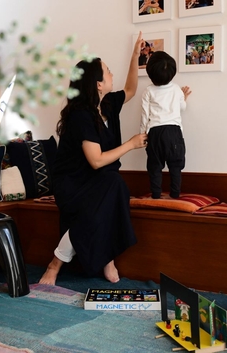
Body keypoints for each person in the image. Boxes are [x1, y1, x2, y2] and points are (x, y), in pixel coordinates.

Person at [39, 35, 149, 285]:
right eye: (108, 71)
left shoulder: (107, 104)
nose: (112, 74)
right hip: (73, 183)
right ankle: (55, 264)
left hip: (98, 180)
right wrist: (130, 144)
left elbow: (131, 89)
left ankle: (105, 257)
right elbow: (96, 161)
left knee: (114, 185)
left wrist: (135, 56)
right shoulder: (81, 116)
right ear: (98, 84)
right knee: (110, 187)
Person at [140, 51, 192, 199]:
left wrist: (142, 134)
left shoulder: (148, 91)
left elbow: (145, 115)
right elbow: (182, 108)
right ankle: (175, 194)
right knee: (175, 165)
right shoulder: (176, 89)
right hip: (173, 132)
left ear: (150, 73)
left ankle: (156, 194)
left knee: (155, 166)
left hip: (155, 132)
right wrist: (184, 97)